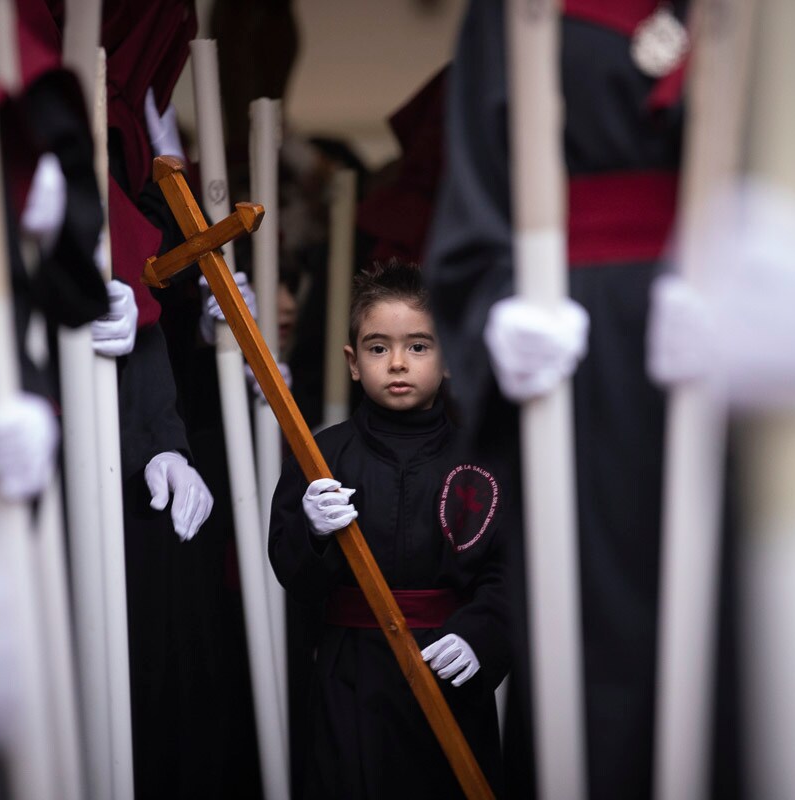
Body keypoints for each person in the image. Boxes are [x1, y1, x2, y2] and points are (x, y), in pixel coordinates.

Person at [424, 1, 687, 796]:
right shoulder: (517, 12)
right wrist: (502, 311)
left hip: (740, 335)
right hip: (580, 348)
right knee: (595, 661)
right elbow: (477, 191)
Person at [268, 260, 512, 797]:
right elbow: (291, 572)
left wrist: (482, 635)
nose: (398, 363)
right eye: (379, 348)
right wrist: (312, 532)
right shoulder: (320, 456)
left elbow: (510, 571)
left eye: (419, 347)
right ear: (353, 363)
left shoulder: (482, 458)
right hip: (349, 677)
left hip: (449, 670)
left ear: (447, 358)